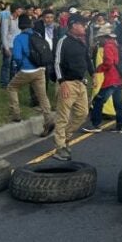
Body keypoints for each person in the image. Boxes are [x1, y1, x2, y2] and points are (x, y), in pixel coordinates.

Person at [52, 15, 94, 161]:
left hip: (81, 83)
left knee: (83, 113)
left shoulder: (82, 42)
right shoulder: (63, 41)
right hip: (67, 83)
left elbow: (87, 59)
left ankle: (65, 138)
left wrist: (93, 74)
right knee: (62, 117)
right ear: (73, 25)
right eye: (82, 25)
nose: (84, 27)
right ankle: (60, 147)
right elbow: (57, 62)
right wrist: (62, 82)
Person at [6, 14, 55, 137]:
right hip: (40, 69)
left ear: (19, 25)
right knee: (42, 96)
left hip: (27, 70)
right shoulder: (37, 35)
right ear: (31, 25)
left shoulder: (19, 38)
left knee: (12, 87)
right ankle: (48, 120)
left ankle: (16, 114)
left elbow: (16, 56)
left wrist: (21, 65)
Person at [83, 26, 122, 134]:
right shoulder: (117, 45)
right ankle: (120, 126)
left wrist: (99, 68)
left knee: (98, 101)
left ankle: (96, 125)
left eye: (100, 38)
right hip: (120, 79)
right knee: (119, 104)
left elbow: (108, 62)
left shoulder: (108, 46)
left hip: (111, 79)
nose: (99, 41)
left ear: (104, 37)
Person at [0, 4, 23, 88]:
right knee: (6, 65)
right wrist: (6, 48)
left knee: (15, 66)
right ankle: (4, 83)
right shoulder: (7, 20)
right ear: (15, 10)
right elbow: (4, 34)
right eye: (19, 10)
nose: (21, 11)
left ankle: (12, 82)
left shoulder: (20, 20)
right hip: (9, 46)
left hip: (17, 46)